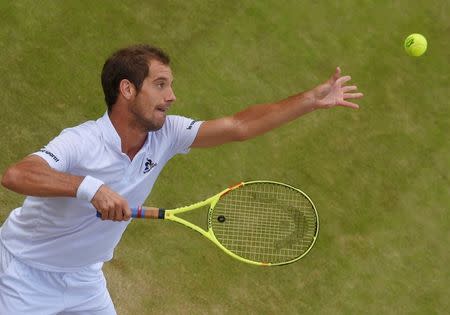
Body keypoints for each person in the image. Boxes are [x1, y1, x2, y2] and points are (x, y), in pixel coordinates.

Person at [0, 44, 363, 314]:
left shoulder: (167, 134)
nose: (171, 96)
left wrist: (309, 100)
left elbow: (239, 126)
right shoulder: (82, 141)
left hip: (83, 279)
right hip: (23, 273)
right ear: (127, 90)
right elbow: (17, 174)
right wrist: (89, 187)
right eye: (160, 85)